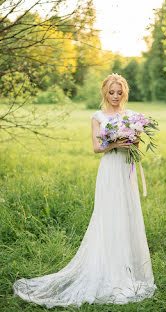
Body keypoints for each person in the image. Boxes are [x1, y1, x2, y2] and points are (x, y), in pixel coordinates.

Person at [13, 73, 157, 308]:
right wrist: (114, 142)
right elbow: (96, 147)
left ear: (124, 93)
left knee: (126, 215)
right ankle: (107, 267)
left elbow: (137, 143)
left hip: (125, 170)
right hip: (110, 169)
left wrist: (133, 138)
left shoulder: (131, 116)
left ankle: (128, 268)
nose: (115, 96)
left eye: (119, 93)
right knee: (108, 216)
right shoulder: (97, 116)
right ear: (104, 92)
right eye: (111, 92)